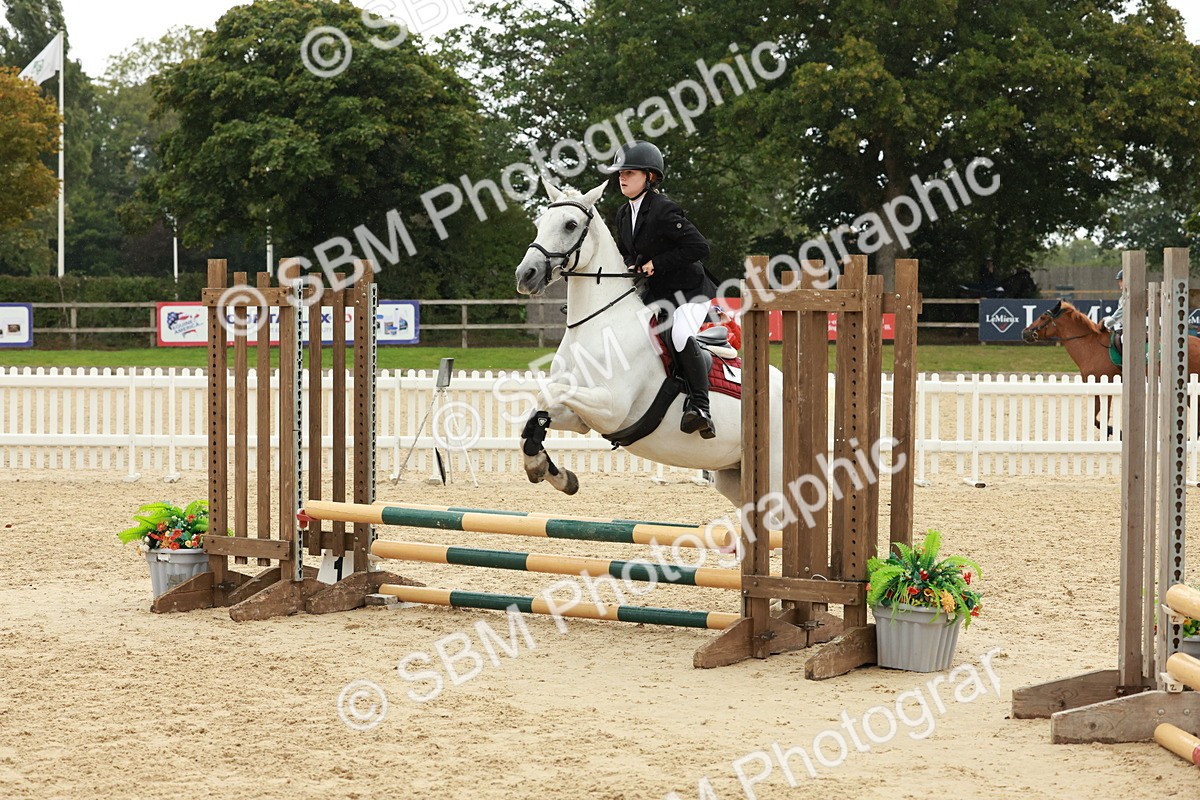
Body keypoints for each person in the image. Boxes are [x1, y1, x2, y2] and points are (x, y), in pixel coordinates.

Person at [600, 140, 717, 439]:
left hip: (689, 292)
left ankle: (701, 407)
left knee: (677, 333)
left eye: (630, 172)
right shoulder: (623, 214)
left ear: (649, 177)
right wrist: (632, 265)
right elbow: (629, 252)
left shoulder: (664, 209)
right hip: (657, 294)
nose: (622, 178)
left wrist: (657, 263)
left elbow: (699, 247)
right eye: (620, 173)